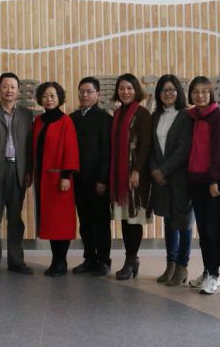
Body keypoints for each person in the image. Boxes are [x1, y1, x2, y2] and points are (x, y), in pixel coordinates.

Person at [0, 72, 34, 276]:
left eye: (13, 87)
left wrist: (29, 171)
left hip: (18, 171)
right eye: (5, 86)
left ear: (18, 90)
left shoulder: (27, 115)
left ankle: (16, 261)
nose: (9, 90)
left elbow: (29, 146)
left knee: (15, 219)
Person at [186, 76, 220, 295]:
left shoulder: (219, 117)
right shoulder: (191, 116)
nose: (200, 95)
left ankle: (214, 275)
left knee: (213, 231)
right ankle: (207, 271)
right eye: (196, 91)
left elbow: (219, 152)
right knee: (203, 231)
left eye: (204, 91)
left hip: (214, 183)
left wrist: (214, 179)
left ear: (211, 93)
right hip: (195, 181)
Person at [148, 74, 193, 287]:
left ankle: (182, 265)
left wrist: (163, 170)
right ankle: (171, 263)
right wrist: (154, 170)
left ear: (178, 92)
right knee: (168, 221)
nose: (168, 93)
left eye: (172, 89)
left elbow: (183, 149)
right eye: (164, 90)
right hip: (161, 180)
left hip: (181, 178)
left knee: (183, 222)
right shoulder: (155, 116)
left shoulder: (186, 116)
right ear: (159, 93)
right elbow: (150, 147)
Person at [32, 82, 80, 277]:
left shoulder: (65, 121)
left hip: (60, 180)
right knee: (51, 223)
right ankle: (55, 260)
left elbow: (71, 149)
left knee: (61, 223)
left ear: (60, 98)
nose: (49, 99)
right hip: (43, 179)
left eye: (52, 95)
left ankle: (61, 261)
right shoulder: (38, 121)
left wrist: (66, 175)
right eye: (45, 96)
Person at [109, 73, 152, 281]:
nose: (125, 92)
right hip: (119, 175)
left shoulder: (142, 114)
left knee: (134, 219)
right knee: (125, 218)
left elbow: (145, 145)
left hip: (135, 176)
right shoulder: (117, 113)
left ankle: (131, 259)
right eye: (121, 88)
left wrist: (136, 170)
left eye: (129, 88)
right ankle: (131, 259)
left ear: (136, 90)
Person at [69, 76, 113, 276]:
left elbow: (107, 152)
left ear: (98, 95)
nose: (85, 95)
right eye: (82, 91)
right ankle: (89, 258)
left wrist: (103, 179)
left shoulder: (105, 118)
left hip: (98, 181)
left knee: (101, 221)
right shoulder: (72, 118)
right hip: (78, 180)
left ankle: (104, 260)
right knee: (85, 221)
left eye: (89, 91)